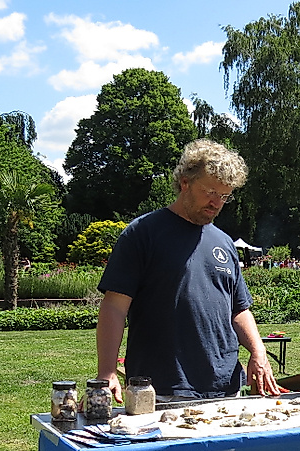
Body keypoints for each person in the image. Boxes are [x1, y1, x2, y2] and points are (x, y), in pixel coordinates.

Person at [96, 138, 279, 405]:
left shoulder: (224, 242)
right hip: (161, 389)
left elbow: (239, 308)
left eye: (224, 196)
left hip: (226, 388)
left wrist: (258, 352)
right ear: (185, 183)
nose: (216, 203)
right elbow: (114, 306)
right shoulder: (143, 233)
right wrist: (108, 371)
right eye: (210, 192)